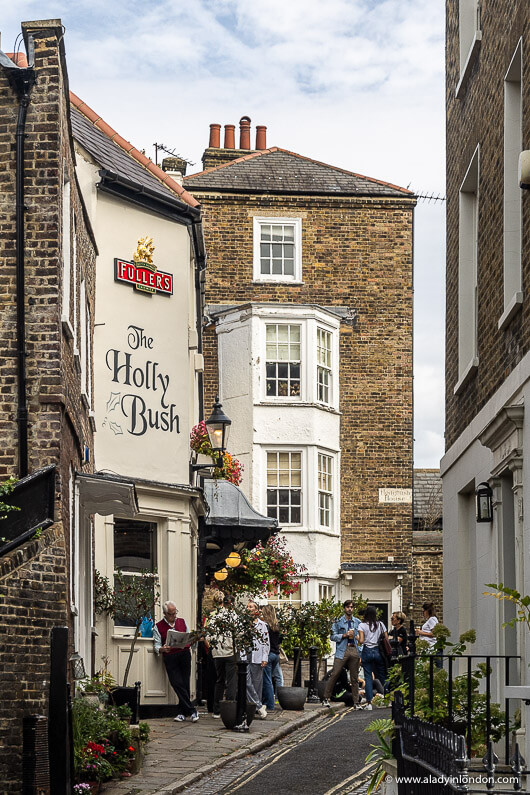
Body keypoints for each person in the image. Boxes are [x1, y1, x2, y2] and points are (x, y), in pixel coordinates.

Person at [153, 600, 199, 722]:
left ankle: (181, 713)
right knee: (176, 683)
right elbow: (156, 645)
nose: (174, 616)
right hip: (170, 657)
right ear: (165, 614)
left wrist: (191, 641)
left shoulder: (182, 622)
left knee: (185, 683)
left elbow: (188, 636)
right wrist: (162, 649)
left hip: (184, 654)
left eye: (175, 613)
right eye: (171, 614)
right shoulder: (158, 627)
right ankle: (192, 710)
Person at [322, 599, 362, 709]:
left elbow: (361, 639)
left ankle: (356, 702)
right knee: (335, 674)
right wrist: (344, 635)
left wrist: (360, 650)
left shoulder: (358, 622)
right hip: (342, 650)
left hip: (354, 650)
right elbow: (332, 636)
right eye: (348, 607)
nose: (350, 609)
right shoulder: (338, 622)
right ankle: (325, 698)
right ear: (344, 608)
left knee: (354, 678)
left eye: (351, 607)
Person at [208, 593, 238, 718]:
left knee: (219, 680)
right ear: (233, 603)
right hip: (230, 652)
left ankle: (216, 710)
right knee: (231, 681)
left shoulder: (215, 617)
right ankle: (230, 708)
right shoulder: (234, 616)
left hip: (217, 653)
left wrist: (214, 647)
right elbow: (239, 634)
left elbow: (208, 635)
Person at [357, 606, 389, 710]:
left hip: (367, 651)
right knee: (383, 675)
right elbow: (386, 638)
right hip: (377, 651)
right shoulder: (380, 624)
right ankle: (387, 699)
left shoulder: (362, 625)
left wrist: (357, 637)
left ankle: (369, 703)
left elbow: (361, 641)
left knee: (368, 677)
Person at [245, 599, 270, 719]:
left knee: (257, 685)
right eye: (248, 607)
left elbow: (266, 643)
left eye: (251, 607)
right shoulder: (243, 623)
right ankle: (260, 706)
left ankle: (255, 709)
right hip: (245, 657)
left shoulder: (263, 625)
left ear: (256, 610)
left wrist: (265, 657)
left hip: (257, 656)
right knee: (247, 683)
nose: (248, 608)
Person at [261, 604, 282, 712]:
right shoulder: (276, 625)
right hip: (276, 655)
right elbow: (279, 641)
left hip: (268, 655)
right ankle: (269, 701)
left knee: (267, 680)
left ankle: (269, 704)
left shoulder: (265, 626)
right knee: (273, 678)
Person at [416, 601, 441, 667]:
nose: (423, 614)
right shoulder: (431, 620)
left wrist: (421, 632)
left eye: (423, 611)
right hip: (427, 648)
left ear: (427, 611)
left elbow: (434, 633)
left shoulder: (431, 619)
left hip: (430, 647)